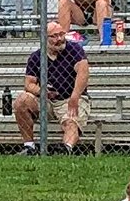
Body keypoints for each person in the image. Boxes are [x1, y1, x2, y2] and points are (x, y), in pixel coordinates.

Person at [14, 21, 90, 155]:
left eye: (61, 34)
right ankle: (29, 147)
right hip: (46, 100)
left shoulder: (75, 50)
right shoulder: (36, 57)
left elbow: (83, 72)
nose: (59, 39)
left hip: (69, 99)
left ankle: (66, 149)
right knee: (21, 100)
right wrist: (42, 91)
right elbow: (29, 84)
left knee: (71, 121)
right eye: (54, 36)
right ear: (45, 38)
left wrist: (74, 97)